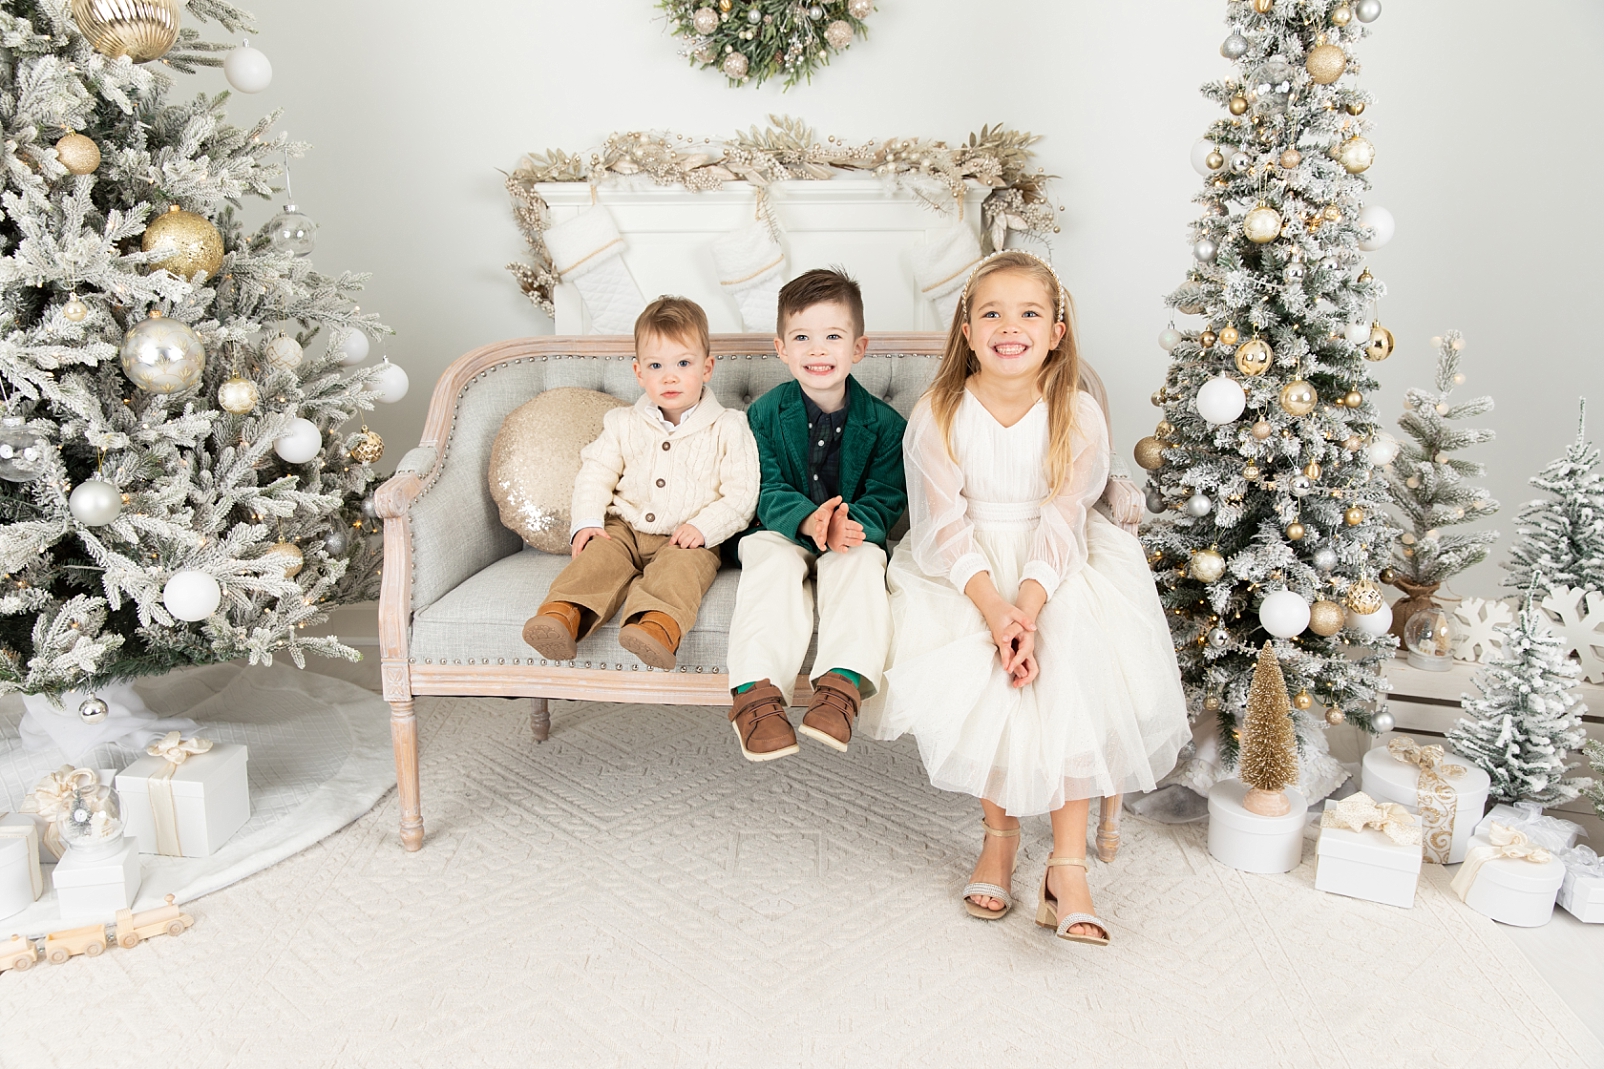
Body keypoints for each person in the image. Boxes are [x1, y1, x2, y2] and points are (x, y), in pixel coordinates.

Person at [862, 251, 1189, 945]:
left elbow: (1067, 517)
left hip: (1058, 565)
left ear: (1057, 329)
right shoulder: (939, 411)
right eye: (992, 313)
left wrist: (1030, 610)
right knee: (989, 675)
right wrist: (996, 611)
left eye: (1029, 313)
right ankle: (1000, 838)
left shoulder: (1077, 412)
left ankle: (1067, 867)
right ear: (968, 328)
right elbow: (942, 526)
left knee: (1071, 666)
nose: (1010, 327)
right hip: (967, 571)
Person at [725, 268, 907, 761]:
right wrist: (807, 521)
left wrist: (854, 525)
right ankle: (756, 697)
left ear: (858, 348)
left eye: (833, 337)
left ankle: (840, 691)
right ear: (782, 348)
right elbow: (761, 485)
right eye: (802, 337)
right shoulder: (763, 415)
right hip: (781, 532)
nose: (818, 350)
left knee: (862, 563)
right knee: (771, 564)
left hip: (849, 535)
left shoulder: (887, 425)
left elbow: (888, 495)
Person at [522, 296, 759, 670]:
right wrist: (587, 522)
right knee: (598, 559)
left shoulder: (729, 426)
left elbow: (743, 494)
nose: (669, 376)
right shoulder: (622, 423)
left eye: (683, 363)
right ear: (639, 373)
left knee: (680, 573)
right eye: (656, 365)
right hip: (625, 527)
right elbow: (594, 472)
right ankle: (562, 615)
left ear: (707, 367)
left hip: (688, 536)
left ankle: (656, 627)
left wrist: (704, 527)